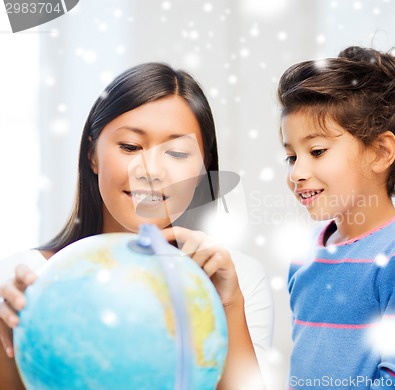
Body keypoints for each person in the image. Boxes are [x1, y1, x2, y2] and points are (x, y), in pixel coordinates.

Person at [0, 63, 273, 389]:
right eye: (130, 147)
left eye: (176, 152)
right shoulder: (26, 278)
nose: (151, 170)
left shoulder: (237, 279)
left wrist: (229, 305)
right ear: (93, 155)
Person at [278, 46, 395, 389]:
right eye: (291, 157)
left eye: (317, 151)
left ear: (380, 152)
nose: (297, 172)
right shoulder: (304, 259)